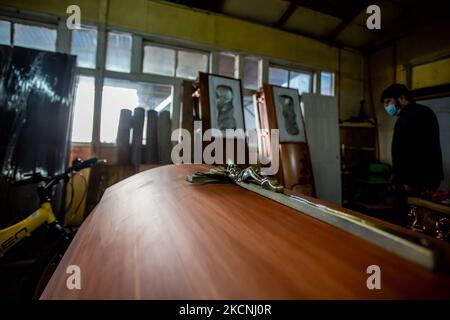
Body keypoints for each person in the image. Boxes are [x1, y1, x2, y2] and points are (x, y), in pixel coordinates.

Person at [380, 84, 444, 223]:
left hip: (414, 181)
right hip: (421, 178)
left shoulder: (412, 116)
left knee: (409, 218)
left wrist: (408, 180)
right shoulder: (421, 112)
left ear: (401, 98)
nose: (386, 107)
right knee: (418, 217)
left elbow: (417, 150)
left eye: (388, 102)